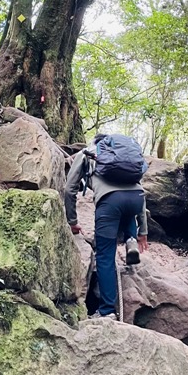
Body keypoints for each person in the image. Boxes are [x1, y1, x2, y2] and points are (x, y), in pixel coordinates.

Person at [63, 133, 148, 320]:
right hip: (135, 200)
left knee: (105, 257)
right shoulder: (126, 159)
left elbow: (69, 189)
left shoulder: (86, 153)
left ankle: (107, 310)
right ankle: (131, 239)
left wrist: (72, 222)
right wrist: (142, 231)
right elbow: (138, 192)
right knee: (126, 209)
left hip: (110, 203)